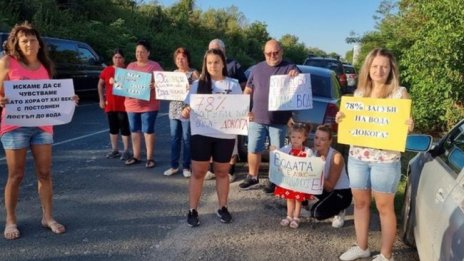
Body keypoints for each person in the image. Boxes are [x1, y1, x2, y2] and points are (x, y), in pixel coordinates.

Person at [337, 48, 414, 261]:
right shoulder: (360, 93)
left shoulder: (400, 93)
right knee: (360, 203)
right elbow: (351, 121)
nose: (379, 70)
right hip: (358, 157)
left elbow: (404, 125)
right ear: (368, 68)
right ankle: (362, 247)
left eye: (384, 67)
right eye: (375, 66)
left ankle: (386, 255)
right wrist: (341, 117)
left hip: (386, 160)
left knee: (384, 206)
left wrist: (409, 125)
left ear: (391, 70)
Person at [0, 22, 70, 239]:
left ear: (39, 44)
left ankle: (47, 217)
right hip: (15, 126)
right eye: (24, 40)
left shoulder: (45, 65)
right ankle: (11, 220)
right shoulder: (7, 62)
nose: (29, 43)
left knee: (45, 173)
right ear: (17, 44)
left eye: (32, 40)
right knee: (16, 174)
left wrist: (68, 99)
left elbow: (50, 95)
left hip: (42, 126)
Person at [181, 48, 242, 227]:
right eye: (209, 63)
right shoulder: (197, 85)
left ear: (223, 63)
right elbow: (186, 109)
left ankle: (223, 207)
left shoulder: (233, 85)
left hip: (225, 135)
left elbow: (240, 109)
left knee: (222, 172)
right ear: (205, 65)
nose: (213, 66)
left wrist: (247, 115)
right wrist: (185, 111)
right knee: (198, 172)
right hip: (202, 134)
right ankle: (192, 210)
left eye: (216, 62)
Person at [239, 39, 299, 192]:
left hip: (278, 120)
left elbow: (299, 85)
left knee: (276, 152)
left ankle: (274, 180)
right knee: (253, 148)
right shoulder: (257, 68)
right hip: (256, 118)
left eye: (276, 52)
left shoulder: (290, 67)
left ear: (281, 52)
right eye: (268, 53)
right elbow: (248, 91)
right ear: (264, 53)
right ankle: (252, 176)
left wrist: (296, 76)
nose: (272, 55)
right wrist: (244, 109)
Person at [204, 39, 247, 182]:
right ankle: (211, 169)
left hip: (230, 111)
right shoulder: (207, 63)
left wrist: (231, 88)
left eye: (217, 49)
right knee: (210, 140)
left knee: (231, 143)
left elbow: (244, 82)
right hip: (211, 111)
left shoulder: (234, 64)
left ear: (224, 50)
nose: (214, 52)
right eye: (211, 49)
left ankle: (231, 170)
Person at [124, 39, 163, 168]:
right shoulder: (130, 66)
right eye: (137, 52)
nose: (139, 54)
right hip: (131, 104)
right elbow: (124, 83)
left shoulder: (154, 66)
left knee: (148, 130)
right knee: (134, 130)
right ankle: (136, 156)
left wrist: (156, 84)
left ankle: (150, 158)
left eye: (142, 52)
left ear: (148, 53)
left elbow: (165, 82)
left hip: (149, 105)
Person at [163, 47, 199, 178]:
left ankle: (186, 166)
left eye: (183, 58)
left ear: (188, 59)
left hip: (188, 110)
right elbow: (165, 91)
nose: (180, 60)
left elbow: (199, 91)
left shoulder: (194, 73)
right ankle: (173, 166)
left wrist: (191, 88)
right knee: (174, 138)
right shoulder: (172, 73)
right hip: (174, 109)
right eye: (178, 58)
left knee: (187, 139)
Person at [310, 124, 352, 228]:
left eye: (323, 139)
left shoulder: (336, 157)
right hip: (325, 189)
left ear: (329, 141)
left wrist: (313, 172)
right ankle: (305, 204)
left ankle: (340, 210)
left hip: (341, 192)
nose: (318, 141)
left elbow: (330, 186)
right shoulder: (312, 152)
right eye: (316, 138)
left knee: (316, 213)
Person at [274, 123, 314, 229]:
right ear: (290, 136)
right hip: (289, 181)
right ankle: (289, 216)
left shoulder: (307, 151)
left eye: (299, 137)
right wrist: (273, 150)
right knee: (289, 198)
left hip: (300, 181)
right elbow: (278, 154)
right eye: (293, 137)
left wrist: (321, 160)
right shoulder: (286, 149)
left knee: (298, 199)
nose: (295, 140)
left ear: (304, 138)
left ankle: (296, 217)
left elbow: (314, 162)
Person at [98, 48, 131, 161]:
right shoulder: (107, 70)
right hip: (110, 104)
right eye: (115, 57)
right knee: (113, 127)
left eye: (120, 57)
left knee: (124, 127)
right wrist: (101, 99)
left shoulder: (127, 71)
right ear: (112, 58)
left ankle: (126, 150)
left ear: (123, 59)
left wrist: (116, 81)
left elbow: (132, 86)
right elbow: (100, 85)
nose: (117, 59)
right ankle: (115, 150)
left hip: (124, 104)